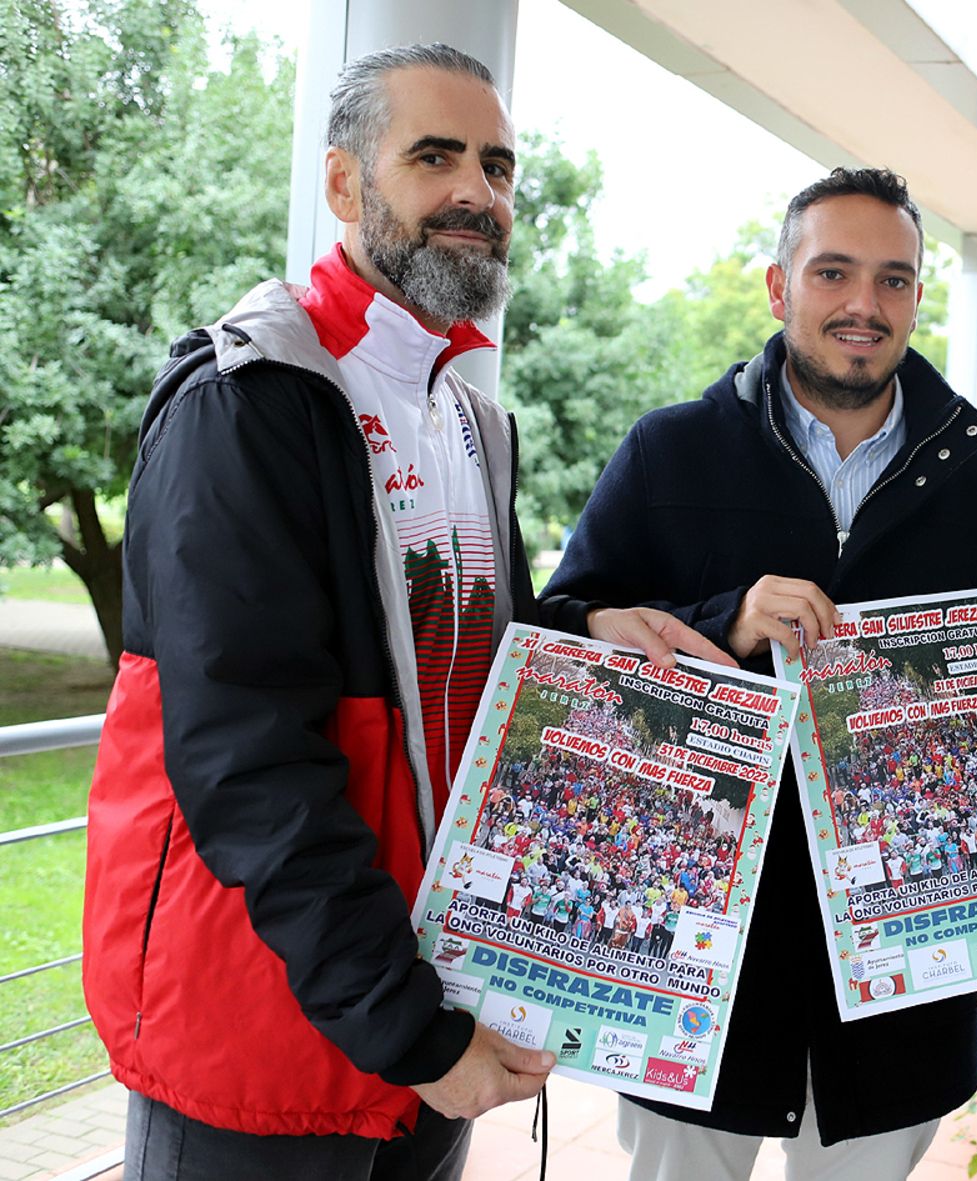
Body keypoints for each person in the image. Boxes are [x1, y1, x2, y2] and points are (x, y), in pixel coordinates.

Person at [81, 43, 718, 1180]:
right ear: (343, 185)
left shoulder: (475, 421)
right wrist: (407, 1028)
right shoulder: (247, 400)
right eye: (435, 157)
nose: (479, 192)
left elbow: (467, 671)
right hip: (272, 1033)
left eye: (500, 166)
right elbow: (248, 761)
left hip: (440, 1004)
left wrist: (583, 637)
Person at [538, 166, 977, 1180]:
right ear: (776, 285)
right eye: (832, 271)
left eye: (892, 280)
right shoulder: (671, 453)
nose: (862, 304)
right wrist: (727, 621)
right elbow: (564, 635)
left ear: (917, 299)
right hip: (697, 968)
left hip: (896, 984)